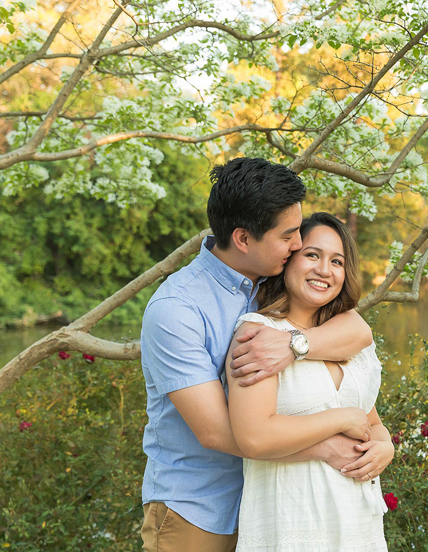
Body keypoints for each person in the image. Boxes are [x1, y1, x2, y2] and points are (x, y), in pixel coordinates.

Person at [140, 158, 373, 552]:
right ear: (244, 239)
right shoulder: (176, 309)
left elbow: (358, 330)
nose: (298, 245)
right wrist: (327, 445)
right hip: (200, 511)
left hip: (273, 509)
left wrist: (295, 345)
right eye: (288, 236)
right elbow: (215, 431)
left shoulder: (275, 281)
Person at [226, 212, 394, 551]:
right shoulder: (258, 334)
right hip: (292, 519)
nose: (324, 270)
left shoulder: (348, 337)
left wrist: (385, 445)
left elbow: (369, 418)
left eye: (337, 261)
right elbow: (253, 438)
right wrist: (340, 419)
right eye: (312, 255)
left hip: (357, 523)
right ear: (289, 260)